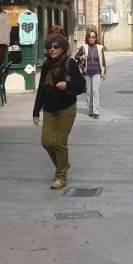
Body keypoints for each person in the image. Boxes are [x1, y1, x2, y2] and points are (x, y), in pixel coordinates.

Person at [33, 34, 86, 189]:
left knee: (60, 143)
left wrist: (67, 86)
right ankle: (63, 164)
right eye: (49, 47)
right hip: (49, 109)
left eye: (55, 47)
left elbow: (81, 85)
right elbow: (42, 90)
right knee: (47, 142)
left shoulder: (69, 64)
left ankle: (61, 177)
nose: (52, 50)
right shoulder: (46, 66)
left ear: (63, 48)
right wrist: (36, 111)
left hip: (66, 108)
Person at [75, 29, 107, 119]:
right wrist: (81, 56)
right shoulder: (84, 47)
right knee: (89, 91)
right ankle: (90, 109)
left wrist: (104, 72)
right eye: (90, 37)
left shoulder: (100, 48)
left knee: (95, 91)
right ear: (87, 38)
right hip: (87, 73)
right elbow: (76, 56)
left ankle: (96, 111)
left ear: (96, 38)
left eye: (93, 37)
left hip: (96, 72)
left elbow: (103, 61)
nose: (91, 38)